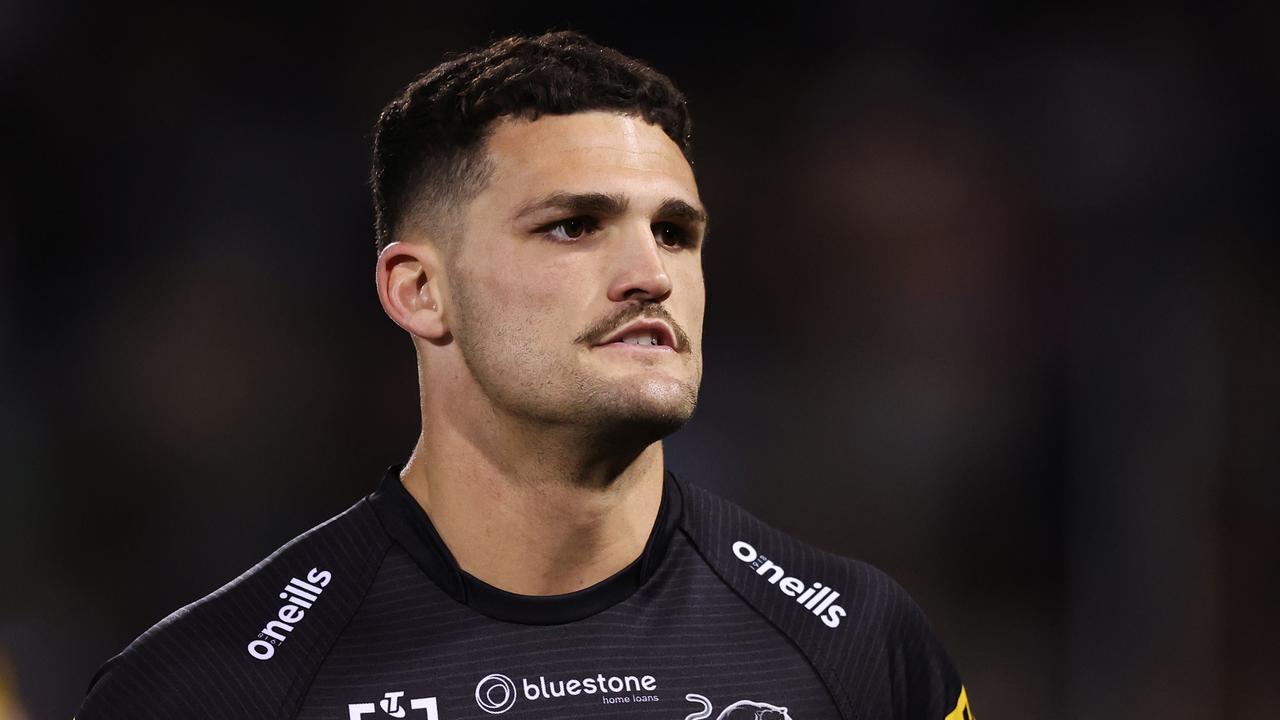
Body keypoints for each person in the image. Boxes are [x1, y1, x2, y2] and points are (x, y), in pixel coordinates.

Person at [76, 30, 973, 720]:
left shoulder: (860, 649)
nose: (651, 274)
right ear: (421, 292)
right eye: (574, 226)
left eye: (674, 231)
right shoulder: (210, 689)